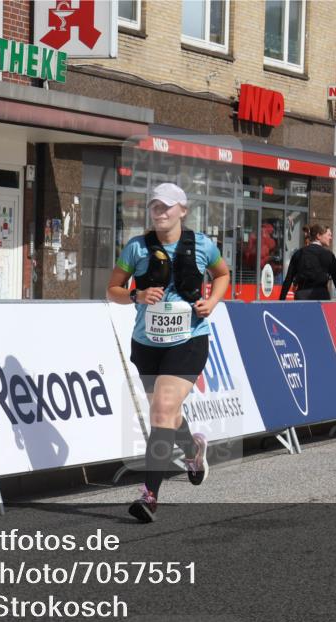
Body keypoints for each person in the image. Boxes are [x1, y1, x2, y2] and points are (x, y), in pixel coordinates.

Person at [106, 183, 231, 523]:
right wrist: (135, 296)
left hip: (189, 340)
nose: (159, 213)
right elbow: (113, 289)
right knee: (168, 416)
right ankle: (193, 450)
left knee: (161, 411)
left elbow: (222, 274)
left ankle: (149, 496)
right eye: (154, 207)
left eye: (166, 207)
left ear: (182, 210)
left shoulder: (202, 245)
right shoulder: (136, 248)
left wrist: (213, 301)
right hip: (147, 344)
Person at [279, 223, 336, 301]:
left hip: (302, 296)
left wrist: (281, 300)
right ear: (318, 236)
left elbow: (288, 279)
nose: (331, 238)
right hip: (322, 296)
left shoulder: (299, 254)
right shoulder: (329, 255)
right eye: (328, 235)